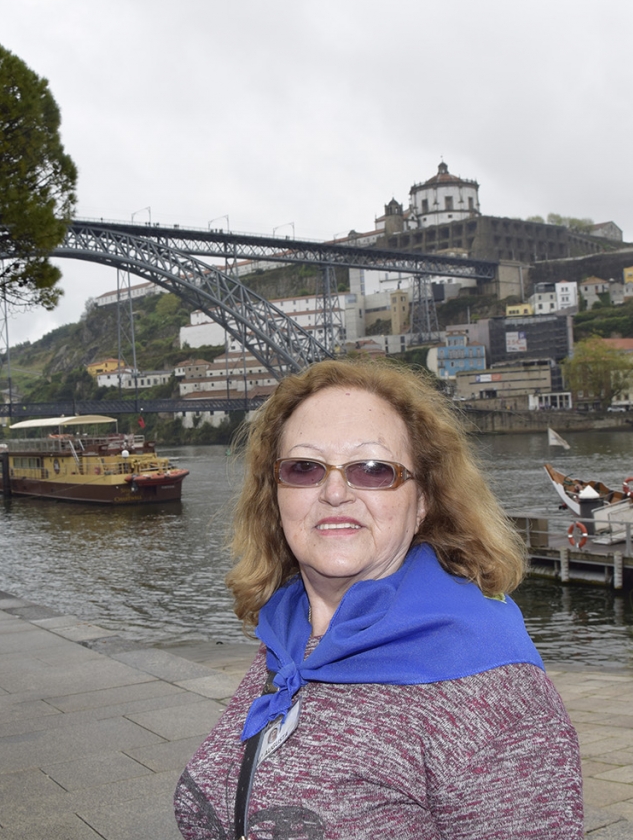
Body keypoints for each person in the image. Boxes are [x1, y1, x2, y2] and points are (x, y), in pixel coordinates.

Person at [175, 359, 582, 839]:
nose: (334, 492)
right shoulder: (286, 635)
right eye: (304, 468)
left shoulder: (494, 689)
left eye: (372, 470)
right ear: (275, 493)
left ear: (423, 500)